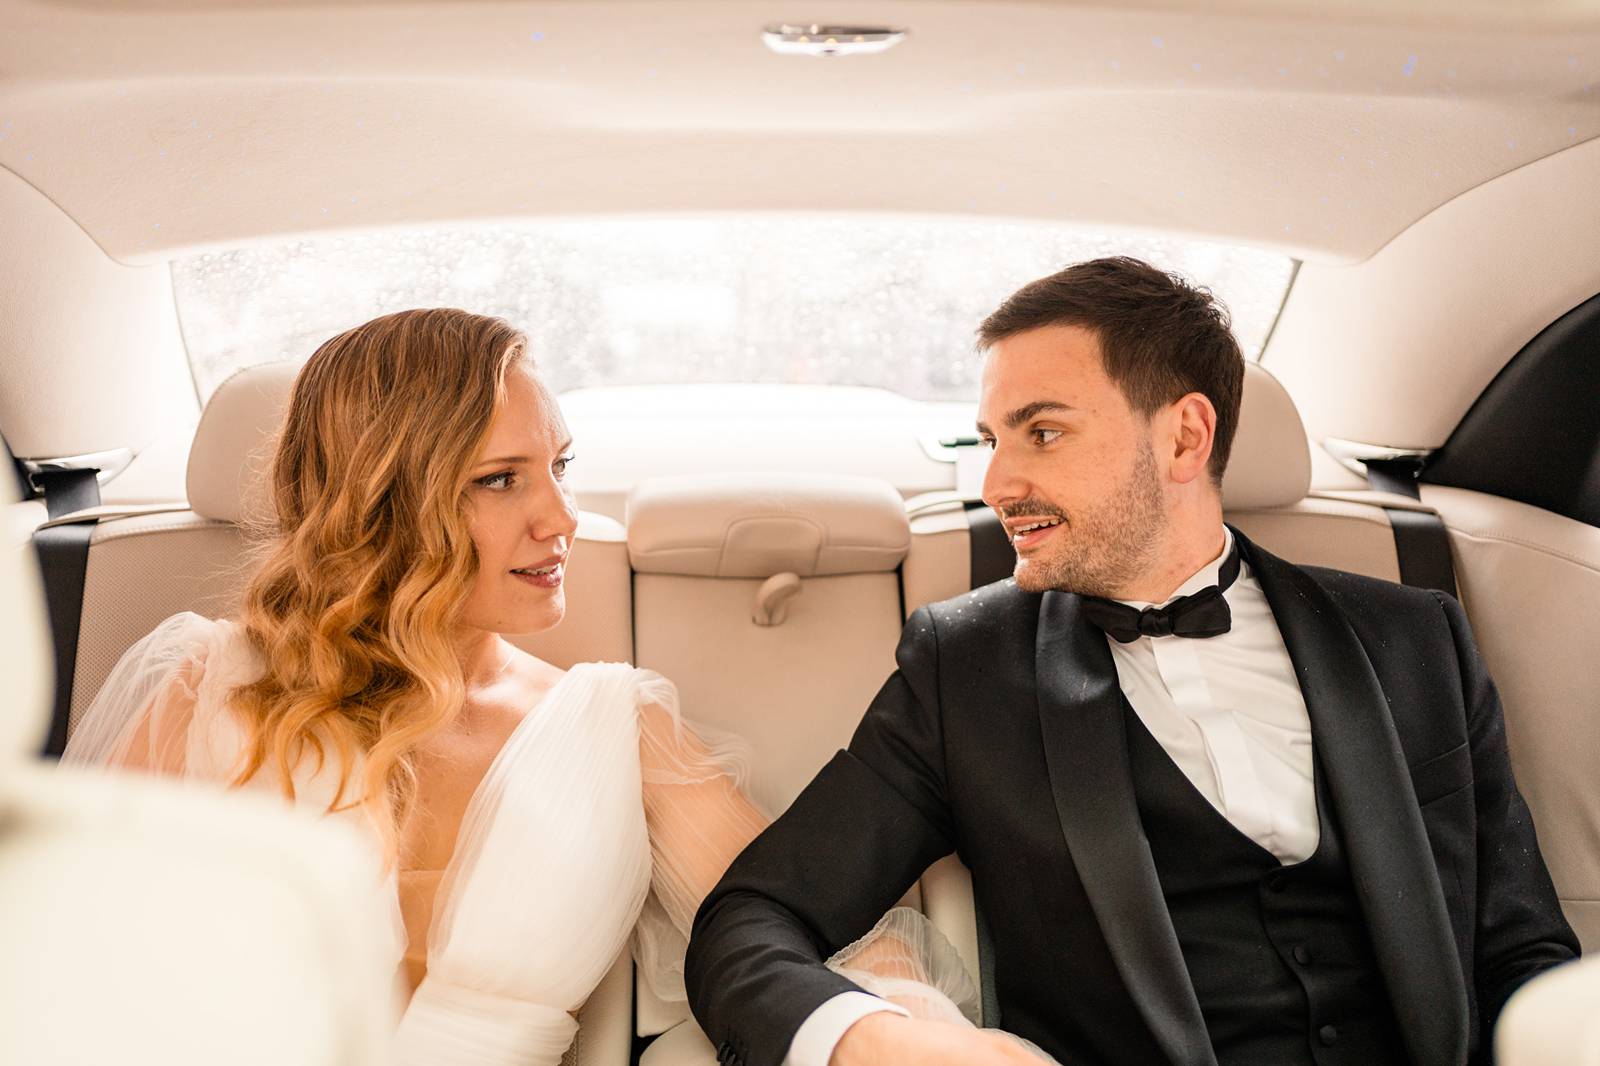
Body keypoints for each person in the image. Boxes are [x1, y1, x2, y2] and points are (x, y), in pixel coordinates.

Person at [685, 257, 1581, 1066]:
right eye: (991, 439)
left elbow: (1520, 950)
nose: (996, 483)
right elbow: (751, 921)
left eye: (1041, 433)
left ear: (1186, 437)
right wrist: (875, 1043)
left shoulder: (1415, 638)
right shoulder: (965, 672)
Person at [61, 309, 960, 1066]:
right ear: (381, 503)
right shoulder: (205, 689)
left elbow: (794, 922)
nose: (561, 518)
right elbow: (76, 978)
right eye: (501, 480)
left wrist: (909, 1032)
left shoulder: (611, 726)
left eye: (558, 468)